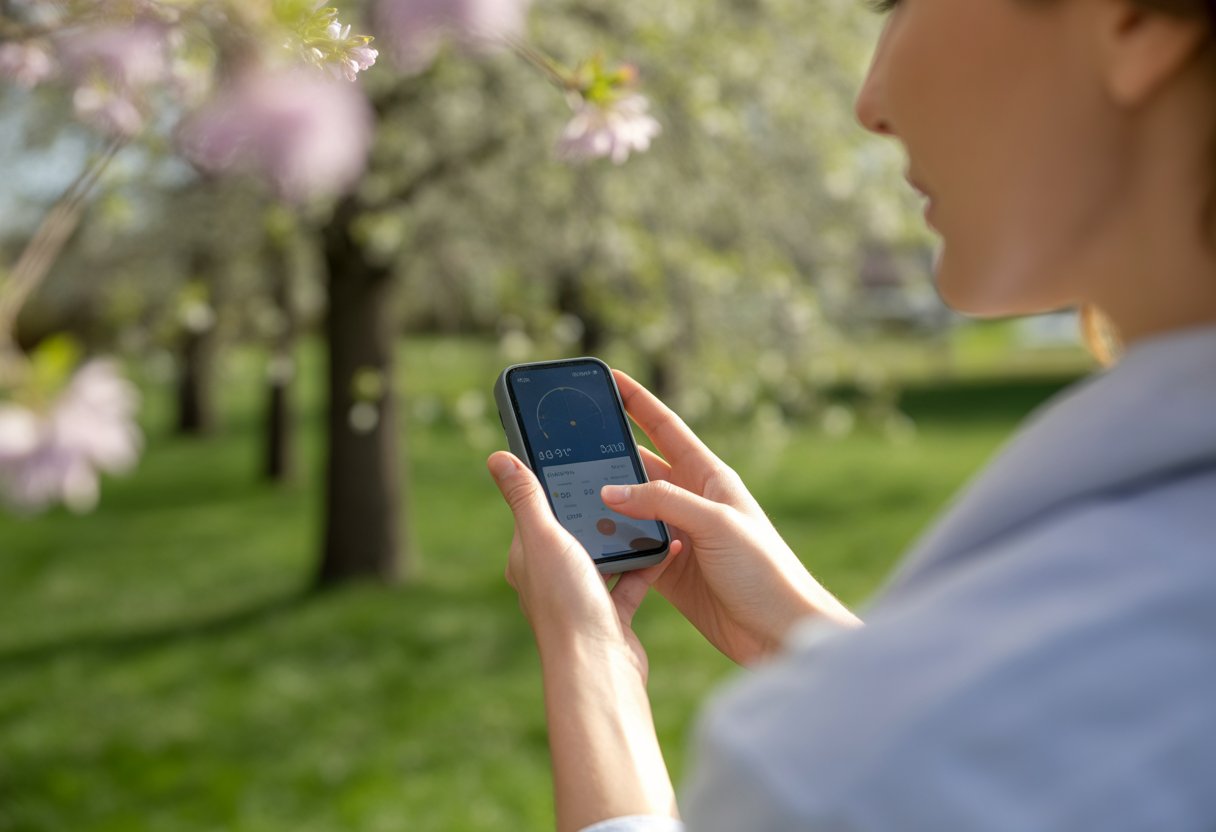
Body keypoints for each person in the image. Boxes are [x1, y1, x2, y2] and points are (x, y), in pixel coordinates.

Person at [486, 0, 1216, 828]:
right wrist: (808, 638)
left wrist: (591, 662)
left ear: (1129, 20)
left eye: (897, 4)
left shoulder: (835, 768)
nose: (871, 101)